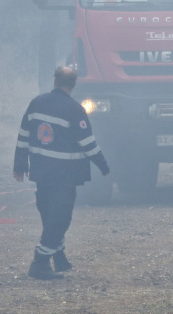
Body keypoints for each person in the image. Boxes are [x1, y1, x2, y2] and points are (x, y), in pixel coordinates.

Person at [14, 65, 110, 280]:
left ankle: (59, 258)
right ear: (74, 84)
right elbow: (88, 143)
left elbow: (23, 134)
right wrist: (103, 165)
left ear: (55, 80)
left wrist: (19, 164)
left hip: (41, 172)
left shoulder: (36, 103)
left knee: (49, 214)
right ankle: (39, 262)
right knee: (60, 218)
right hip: (65, 176)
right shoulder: (74, 109)